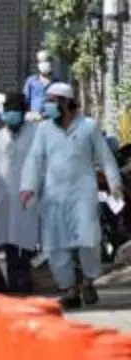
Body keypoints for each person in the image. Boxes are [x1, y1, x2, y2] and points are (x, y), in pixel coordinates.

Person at [20, 83, 122, 308]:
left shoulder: (88, 127)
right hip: (53, 197)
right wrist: (28, 187)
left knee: (88, 241)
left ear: (66, 102)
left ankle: (88, 280)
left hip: (83, 195)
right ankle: (69, 289)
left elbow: (105, 157)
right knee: (56, 246)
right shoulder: (44, 129)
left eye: (52, 100)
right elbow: (35, 160)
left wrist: (114, 183)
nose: (47, 105)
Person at [0, 93, 39, 294]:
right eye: (8, 111)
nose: (11, 115)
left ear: (23, 112)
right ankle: (13, 279)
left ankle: (26, 278)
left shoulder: (35, 133)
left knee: (27, 236)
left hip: (28, 191)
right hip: (5, 194)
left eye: (15, 111)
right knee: (8, 238)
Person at [23, 52, 58, 119]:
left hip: (51, 120)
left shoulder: (56, 82)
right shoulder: (31, 81)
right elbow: (25, 100)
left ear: (51, 62)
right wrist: (28, 114)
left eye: (46, 61)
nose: (43, 64)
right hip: (34, 119)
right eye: (41, 61)